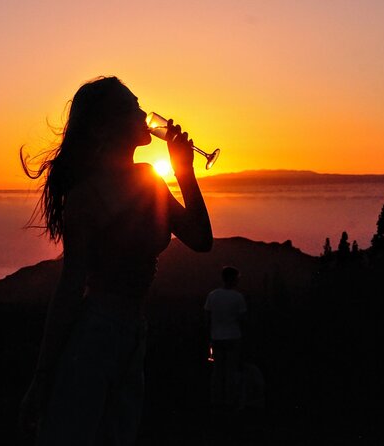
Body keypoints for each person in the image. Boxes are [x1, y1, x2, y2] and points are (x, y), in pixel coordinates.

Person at [19, 76, 213, 445]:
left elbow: (202, 240)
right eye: (131, 107)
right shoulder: (86, 197)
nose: (143, 114)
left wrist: (185, 170)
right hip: (95, 334)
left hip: (134, 333)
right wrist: (42, 377)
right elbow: (71, 286)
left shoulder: (149, 182)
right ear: (102, 127)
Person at [205, 266, 246, 411]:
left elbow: (208, 318)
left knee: (217, 372)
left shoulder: (212, 295)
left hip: (216, 338)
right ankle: (229, 403)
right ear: (233, 278)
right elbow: (242, 320)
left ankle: (215, 402)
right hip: (234, 337)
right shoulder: (238, 297)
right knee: (231, 371)